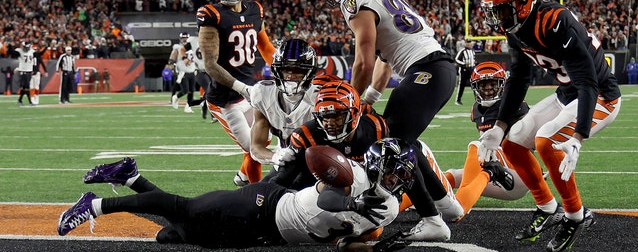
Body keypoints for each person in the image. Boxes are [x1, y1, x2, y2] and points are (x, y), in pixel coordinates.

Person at [315, 0, 460, 239]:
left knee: (393, 145)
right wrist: (369, 99)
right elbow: (384, 62)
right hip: (434, 69)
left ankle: (433, 221)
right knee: (398, 139)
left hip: (427, 70)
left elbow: (364, 61)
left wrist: (352, 103)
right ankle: (447, 206)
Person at [479, 0, 621, 252]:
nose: (497, 18)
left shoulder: (554, 22)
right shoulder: (516, 26)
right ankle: (547, 207)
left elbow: (588, 83)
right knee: (514, 142)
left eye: (503, 9)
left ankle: (575, 214)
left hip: (600, 95)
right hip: (567, 93)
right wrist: (499, 127)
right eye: (493, 10)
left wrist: (578, 138)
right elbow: (520, 77)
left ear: (524, 1)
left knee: (546, 140)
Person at [57, 138, 417, 251]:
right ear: (373, 166)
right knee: (183, 210)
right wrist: (353, 202)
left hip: (269, 232)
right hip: (262, 205)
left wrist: (376, 248)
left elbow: (345, 242)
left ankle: (131, 176)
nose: (396, 178)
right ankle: (97, 206)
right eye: (391, 170)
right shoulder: (351, 177)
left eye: (400, 173)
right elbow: (326, 198)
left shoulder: (386, 209)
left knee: (179, 231)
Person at [271, 80, 459, 241]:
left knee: (403, 153)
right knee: (371, 233)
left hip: (370, 191)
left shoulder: (374, 128)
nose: (330, 123)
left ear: (354, 114)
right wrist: (261, 201)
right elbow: (280, 180)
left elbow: (404, 160)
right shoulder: (307, 136)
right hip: (323, 194)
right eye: (325, 117)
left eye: (337, 116)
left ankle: (435, 214)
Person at [197, 0, 276, 186]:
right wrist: (242, 87)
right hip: (225, 99)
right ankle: (257, 195)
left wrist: (283, 71)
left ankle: (243, 176)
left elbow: (266, 47)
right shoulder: (212, 14)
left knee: (263, 141)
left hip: (248, 93)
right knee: (254, 148)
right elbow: (210, 65)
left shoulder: (255, 10)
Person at [445, 61, 530, 216]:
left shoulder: (514, 105)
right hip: (496, 175)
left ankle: (461, 205)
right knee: (453, 175)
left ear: (502, 85)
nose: (488, 89)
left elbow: (530, 141)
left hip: (518, 175)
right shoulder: (476, 110)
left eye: (493, 85)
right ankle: (418, 202)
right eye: (483, 85)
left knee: (478, 146)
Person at [249, 39, 319, 176]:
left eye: (297, 70)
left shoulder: (319, 98)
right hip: (284, 165)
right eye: (286, 69)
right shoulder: (263, 94)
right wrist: (275, 156)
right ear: (277, 70)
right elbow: (256, 147)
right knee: (257, 196)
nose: (291, 75)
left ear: (309, 72)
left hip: (316, 167)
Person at [170, 32, 193, 111]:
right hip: (182, 70)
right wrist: (172, 62)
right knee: (184, 89)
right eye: (183, 38)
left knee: (191, 90)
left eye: (186, 38)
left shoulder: (193, 46)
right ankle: (174, 97)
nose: (184, 39)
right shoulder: (178, 47)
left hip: (192, 69)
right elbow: (173, 56)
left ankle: (188, 106)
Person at [8, 41, 35, 106]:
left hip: (29, 71)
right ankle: (30, 102)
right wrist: (10, 46)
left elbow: (38, 55)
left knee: (24, 87)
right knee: (27, 87)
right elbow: (12, 53)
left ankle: (20, 100)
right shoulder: (20, 51)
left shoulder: (32, 51)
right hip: (24, 71)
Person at [454, 39, 476, 105]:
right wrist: (463, 64)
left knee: (474, 84)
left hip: (471, 69)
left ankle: (477, 99)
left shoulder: (472, 51)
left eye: (469, 42)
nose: (468, 44)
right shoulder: (462, 51)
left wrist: (473, 66)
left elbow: (474, 60)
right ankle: (458, 100)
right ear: (465, 43)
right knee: (461, 85)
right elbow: (456, 59)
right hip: (464, 70)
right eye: (467, 42)